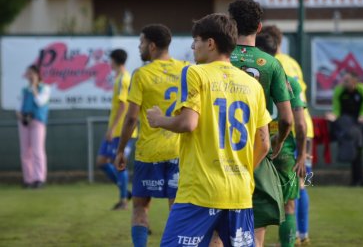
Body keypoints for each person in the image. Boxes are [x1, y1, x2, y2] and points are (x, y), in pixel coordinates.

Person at [146, 13, 271, 246]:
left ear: (211, 43)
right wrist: (241, 171)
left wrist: (159, 120)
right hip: (239, 192)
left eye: (197, 40)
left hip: (200, 191)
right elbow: (264, 143)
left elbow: (188, 123)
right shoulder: (253, 85)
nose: (194, 46)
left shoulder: (195, 73)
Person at [227, 0, 296, 247]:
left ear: (231, 25)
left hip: (219, 150)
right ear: (259, 27)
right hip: (256, 149)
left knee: (218, 231)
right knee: (256, 231)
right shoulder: (272, 64)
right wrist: (277, 144)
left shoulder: (216, 60)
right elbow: (287, 118)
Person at [114, 24, 188, 246]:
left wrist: (120, 150)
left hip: (149, 153)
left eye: (141, 42)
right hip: (179, 152)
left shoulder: (142, 74)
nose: (139, 47)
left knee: (139, 207)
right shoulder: (186, 69)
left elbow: (131, 118)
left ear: (152, 46)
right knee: (177, 208)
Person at [258, 25, 314, 245]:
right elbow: (298, 119)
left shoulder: (252, 73)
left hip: (264, 140)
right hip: (293, 143)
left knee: (256, 203)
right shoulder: (291, 69)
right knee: (299, 190)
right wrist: (302, 153)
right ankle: (301, 233)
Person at [96, 49, 137, 210]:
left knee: (119, 163)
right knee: (101, 161)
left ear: (115, 60)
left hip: (122, 131)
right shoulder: (121, 78)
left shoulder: (123, 79)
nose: (109, 63)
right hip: (116, 130)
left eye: (110, 60)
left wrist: (112, 129)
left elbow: (123, 105)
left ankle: (123, 201)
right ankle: (125, 191)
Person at [327, 71, 363, 186]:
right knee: (351, 150)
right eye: (343, 80)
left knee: (358, 152)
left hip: (359, 124)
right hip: (345, 124)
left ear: (354, 81)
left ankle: (360, 180)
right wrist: (333, 116)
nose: (344, 83)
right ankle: (355, 181)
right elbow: (336, 110)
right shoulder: (339, 91)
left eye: (347, 80)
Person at [17, 64, 51, 189]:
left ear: (37, 75)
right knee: (25, 152)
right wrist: (20, 115)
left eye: (31, 73)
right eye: (28, 74)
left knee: (37, 151)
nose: (29, 76)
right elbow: (19, 106)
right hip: (24, 122)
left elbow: (40, 102)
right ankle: (28, 179)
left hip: (37, 122)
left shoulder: (45, 88)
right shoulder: (24, 90)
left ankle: (39, 178)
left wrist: (35, 88)